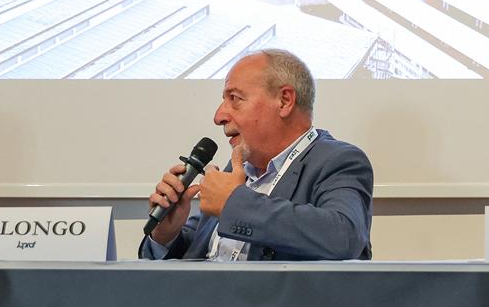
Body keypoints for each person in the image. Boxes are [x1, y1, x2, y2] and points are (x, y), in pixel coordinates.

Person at [140, 49, 372, 261]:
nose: (219, 116)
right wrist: (167, 235)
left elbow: (345, 237)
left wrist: (233, 203)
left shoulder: (338, 161)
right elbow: (202, 249)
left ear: (284, 101)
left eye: (235, 98)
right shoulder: (236, 169)